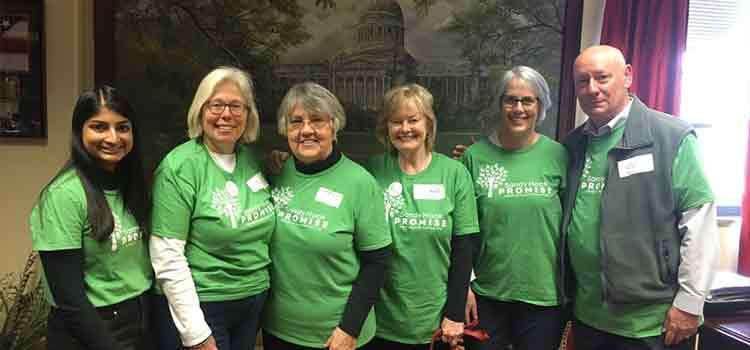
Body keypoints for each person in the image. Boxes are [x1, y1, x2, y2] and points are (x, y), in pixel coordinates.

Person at [560, 45, 718, 350]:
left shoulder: (671, 136)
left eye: (602, 77)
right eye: (583, 81)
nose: (592, 89)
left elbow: (699, 225)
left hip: (651, 323)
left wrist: (689, 303)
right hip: (588, 316)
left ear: (628, 76)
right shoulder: (574, 144)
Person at [150, 66, 275, 350]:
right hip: (201, 306)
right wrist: (195, 333)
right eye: (216, 105)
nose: (226, 115)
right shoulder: (180, 167)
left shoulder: (251, 160)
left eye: (236, 106)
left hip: (250, 302)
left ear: (248, 114)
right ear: (200, 110)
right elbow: (167, 255)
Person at [262, 82, 392, 350]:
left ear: (334, 127)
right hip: (278, 330)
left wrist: (349, 329)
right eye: (296, 122)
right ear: (286, 129)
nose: (306, 130)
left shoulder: (360, 183)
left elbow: (376, 263)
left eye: (317, 120)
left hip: (336, 337)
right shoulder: (276, 171)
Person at [29, 86, 152, 350]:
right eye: (99, 127)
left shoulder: (132, 186)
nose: (113, 137)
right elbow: (70, 299)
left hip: (139, 318)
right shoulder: (64, 195)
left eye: (122, 127)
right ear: (79, 131)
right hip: (89, 330)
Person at [457, 66, 568, 350]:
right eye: (511, 100)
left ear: (540, 105)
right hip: (486, 295)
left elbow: (573, 225)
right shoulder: (474, 157)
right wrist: (465, 285)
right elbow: (461, 229)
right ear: (500, 104)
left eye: (527, 100)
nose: (518, 108)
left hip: (543, 297)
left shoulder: (558, 155)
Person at [362, 84, 479, 350]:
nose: (405, 128)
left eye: (413, 120)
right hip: (379, 321)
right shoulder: (372, 171)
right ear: (386, 128)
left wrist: (454, 314)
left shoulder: (454, 174)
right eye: (396, 121)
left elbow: (464, 249)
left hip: (436, 323)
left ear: (428, 124)